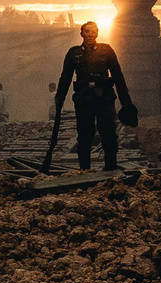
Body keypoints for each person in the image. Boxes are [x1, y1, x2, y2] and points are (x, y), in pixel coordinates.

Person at [52, 20, 136, 172]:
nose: (90, 35)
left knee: (109, 133)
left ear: (97, 33)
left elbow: (118, 76)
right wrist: (59, 98)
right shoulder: (74, 53)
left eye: (92, 32)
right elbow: (65, 78)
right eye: (87, 32)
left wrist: (126, 102)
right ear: (82, 34)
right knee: (84, 135)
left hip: (104, 98)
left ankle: (110, 168)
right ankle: (85, 170)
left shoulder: (106, 50)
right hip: (84, 99)